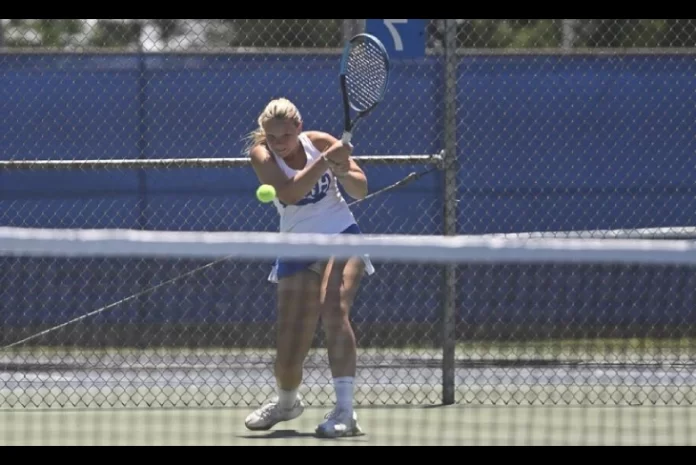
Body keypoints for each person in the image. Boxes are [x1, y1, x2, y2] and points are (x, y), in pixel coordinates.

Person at [243, 97, 374, 438]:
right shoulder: (262, 156)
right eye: (272, 137)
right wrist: (326, 163)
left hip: (342, 234)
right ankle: (287, 404)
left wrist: (343, 168)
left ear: (298, 128)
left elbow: (360, 190)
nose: (279, 143)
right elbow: (290, 193)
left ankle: (346, 412)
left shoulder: (319, 142)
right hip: (296, 247)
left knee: (334, 309)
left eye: (284, 136)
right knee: (288, 350)